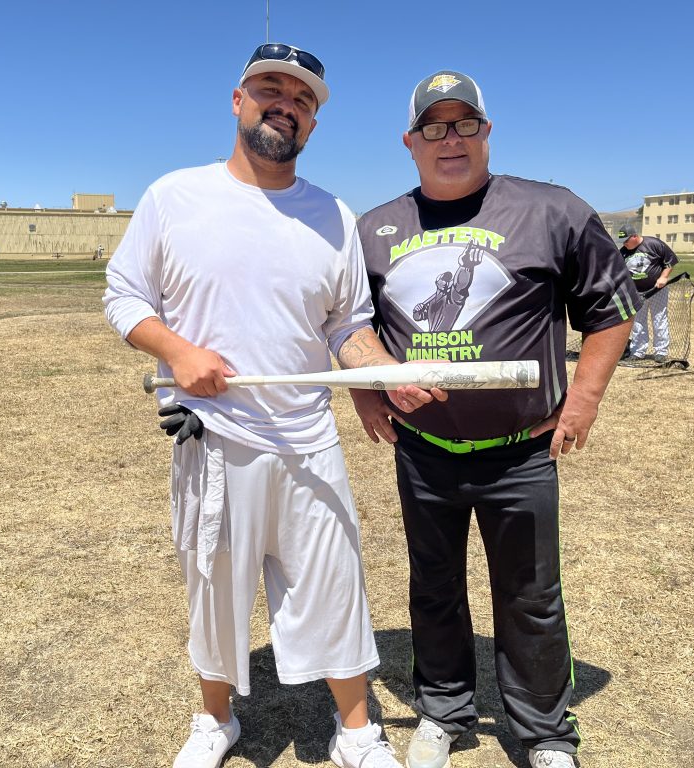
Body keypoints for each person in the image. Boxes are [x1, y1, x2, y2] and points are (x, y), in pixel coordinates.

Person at [103, 43, 445, 768]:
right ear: (238, 99)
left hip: (307, 437)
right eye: (270, 89)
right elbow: (124, 296)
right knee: (213, 586)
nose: (285, 104)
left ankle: (356, 731)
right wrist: (178, 353)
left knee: (333, 583)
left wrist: (387, 375)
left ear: (313, 124)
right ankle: (214, 722)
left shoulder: (332, 215)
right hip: (214, 437)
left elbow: (347, 326)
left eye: (303, 100)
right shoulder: (174, 196)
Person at [353, 70, 639, 768]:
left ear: (486, 131)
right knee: (434, 585)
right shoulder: (374, 229)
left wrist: (586, 399)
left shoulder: (551, 211)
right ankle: (444, 711)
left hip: (520, 452)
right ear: (410, 141)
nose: (449, 139)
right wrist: (367, 393)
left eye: (464, 123)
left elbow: (612, 311)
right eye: (433, 126)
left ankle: (543, 732)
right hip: (423, 451)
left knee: (531, 594)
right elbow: (350, 327)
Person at [618, 224, 678, 363]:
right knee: (638, 322)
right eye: (623, 241)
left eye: (627, 240)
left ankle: (661, 352)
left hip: (657, 290)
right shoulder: (623, 252)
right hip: (637, 293)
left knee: (659, 319)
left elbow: (670, 261)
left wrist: (664, 277)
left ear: (634, 236)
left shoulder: (654, 244)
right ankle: (638, 351)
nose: (625, 244)